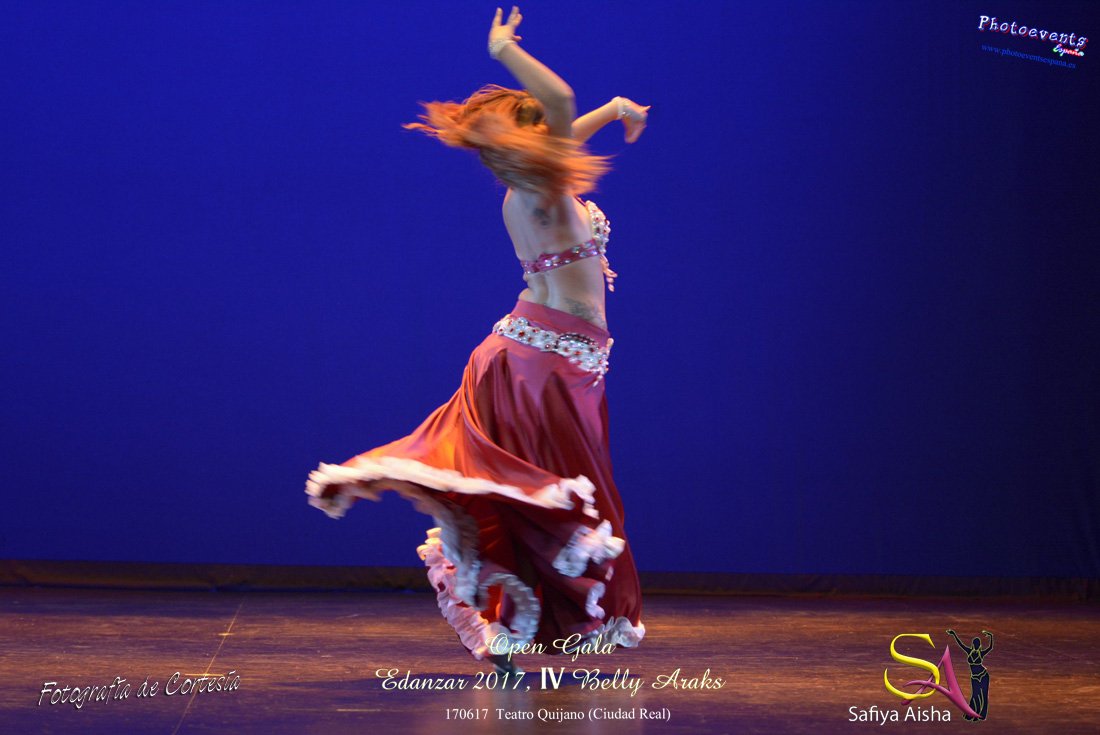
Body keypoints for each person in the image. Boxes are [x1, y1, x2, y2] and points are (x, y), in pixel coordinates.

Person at [305, 6, 650, 674]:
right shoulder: (537, 189)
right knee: (550, 499)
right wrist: (504, 52)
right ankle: (510, 622)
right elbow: (561, 103)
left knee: (530, 497)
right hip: (544, 364)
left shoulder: (535, 187)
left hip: (553, 357)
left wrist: (612, 111)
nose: (556, 132)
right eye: (541, 127)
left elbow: (566, 124)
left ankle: (510, 629)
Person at [946, 629, 993, 720]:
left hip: (983, 676)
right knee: (975, 695)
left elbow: (990, 648)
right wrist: (954, 634)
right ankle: (973, 714)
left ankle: (982, 715)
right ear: (973, 644)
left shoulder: (981, 653)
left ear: (979, 645)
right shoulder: (969, 651)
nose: (976, 645)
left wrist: (991, 636)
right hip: (974, 677)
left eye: (977, 644)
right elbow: (960, 644)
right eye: (975, 644)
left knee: (983, 695)